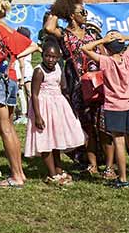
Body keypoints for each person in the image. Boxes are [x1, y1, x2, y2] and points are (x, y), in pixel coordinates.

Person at [43, 0, 104, 177]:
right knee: (86, 123)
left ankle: (107, 162)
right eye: (82, 12)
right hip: (76, 82)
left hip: (96, 80)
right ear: (71, 15)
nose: (85, 15)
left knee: (99, 121)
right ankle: (91, 163)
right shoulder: (64, 34)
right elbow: (48, 27)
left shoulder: (91, 33)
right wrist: (57, 10)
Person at [82, 30, 129, 188]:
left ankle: (123, 178)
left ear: (107, 49)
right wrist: (123, 37)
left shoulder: (106, 61)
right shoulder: (127, 57)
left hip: (114, 106)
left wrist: (101, 40)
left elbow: (85, 48)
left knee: (119, 142)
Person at [0, 0, 34, 187]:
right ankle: (19, 172)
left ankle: (16, 176)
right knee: (9, 128)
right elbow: (33, 45)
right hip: (11, 77)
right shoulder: (9, 29)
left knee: (4, 129)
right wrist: (13, 57)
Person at [24, 36, 87, 185]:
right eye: (47, 56)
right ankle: (52, 174)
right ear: (42, 55)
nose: (50, 59)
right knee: (45, 140)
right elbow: (34, 94)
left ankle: (59, 169)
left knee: (56, 140)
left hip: (58, 106)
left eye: (53, 57)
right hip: (43, 106)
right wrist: (38, 116)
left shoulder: (58, 67)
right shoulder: (39, 72)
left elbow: (64, 88)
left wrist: (71, 107)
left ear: (58, 57)